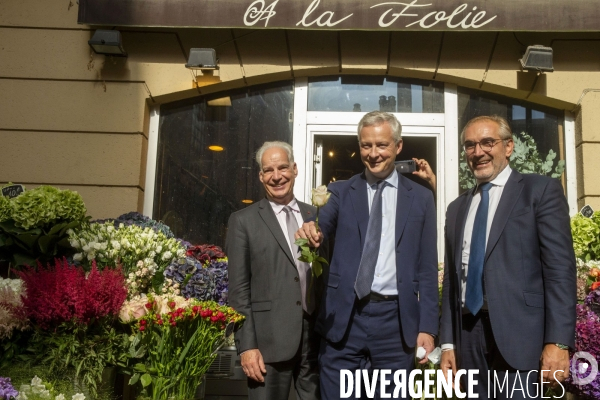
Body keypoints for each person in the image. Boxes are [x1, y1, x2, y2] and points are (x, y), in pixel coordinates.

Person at [297, 111, 439, 399]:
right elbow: (322, 225)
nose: (373, 154)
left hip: (395, 322)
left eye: (381, 145)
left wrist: (427, 328)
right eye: (366, 145)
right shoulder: (339, 192)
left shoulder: (422, 197)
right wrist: (313, 230)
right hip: (344, 321)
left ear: (398, 146)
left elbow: (426, 268)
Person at [440, 115, 576, 399]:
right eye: (469, 145)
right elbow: (452, 285)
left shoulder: (539, 192)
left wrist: (558, 342)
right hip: (469, 339)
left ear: (509, 146)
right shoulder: (456, 209)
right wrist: (448, 344)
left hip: (523, 339)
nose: (478, 152)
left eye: (488, 142)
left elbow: (559, 271)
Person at [227, 141, 323, 400]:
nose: (277, 176)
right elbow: (238, 291)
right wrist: (247, 346)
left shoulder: (316, 215)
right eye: (269, 170)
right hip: (268, 342)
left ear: (295, 169)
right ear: (260, 176)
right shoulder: (243, 221)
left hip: (315, 339)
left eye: (283, 168)